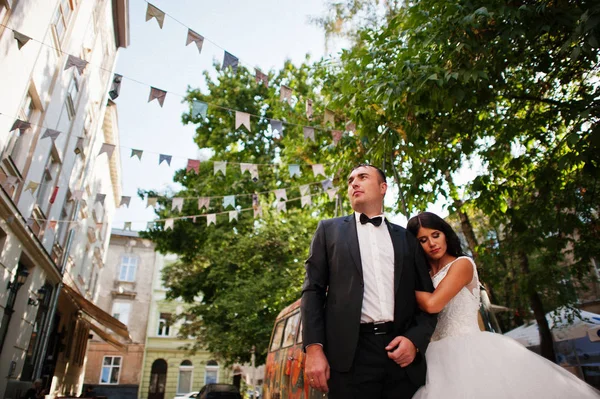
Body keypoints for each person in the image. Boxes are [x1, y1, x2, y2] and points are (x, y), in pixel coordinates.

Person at [407, 211, 600, 398]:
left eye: (435, 235)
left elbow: (433, 305)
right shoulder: (425, 276)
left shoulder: (461, 264)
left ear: (445, 234)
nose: (432, 243)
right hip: (433, 357)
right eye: (423, 240)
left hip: (469, 351)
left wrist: (405, 288)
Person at [301, 164, 437, 399]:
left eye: (363, 177)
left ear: (383, 187)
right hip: (349, 357)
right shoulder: (328, 230)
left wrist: (414, 341)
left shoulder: (407, 238)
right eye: (351, 180)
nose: (354, 183)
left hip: (400, 354)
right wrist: (314, 349)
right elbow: (312, 291)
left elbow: (428, 300)